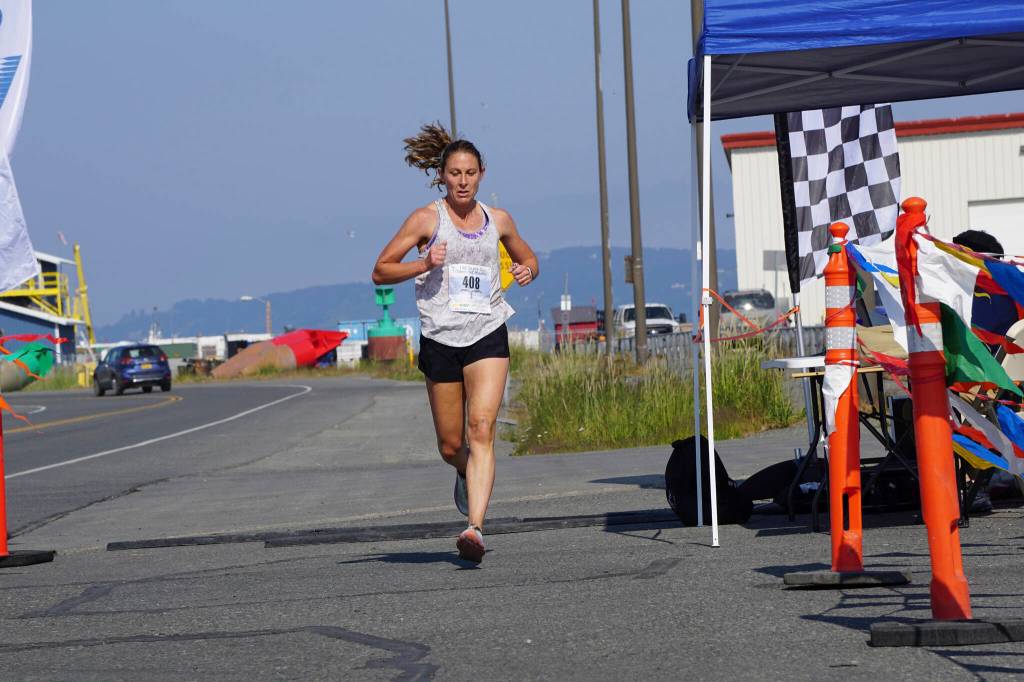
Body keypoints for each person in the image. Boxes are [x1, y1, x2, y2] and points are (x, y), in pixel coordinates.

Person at [372, 123, 538, 563]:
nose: (462, 181)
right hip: (441, 339)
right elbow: (381, 269)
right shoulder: (427, 219)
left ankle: (475, 528)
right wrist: (422, 263)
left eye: (470, 173)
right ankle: (465, 473)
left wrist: (527, 271)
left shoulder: (498, 220)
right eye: (454, 174)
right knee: (451, 445)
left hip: (487, 332)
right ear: (442, 177)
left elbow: (529, 258)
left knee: (481, 430)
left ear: (482, 173)